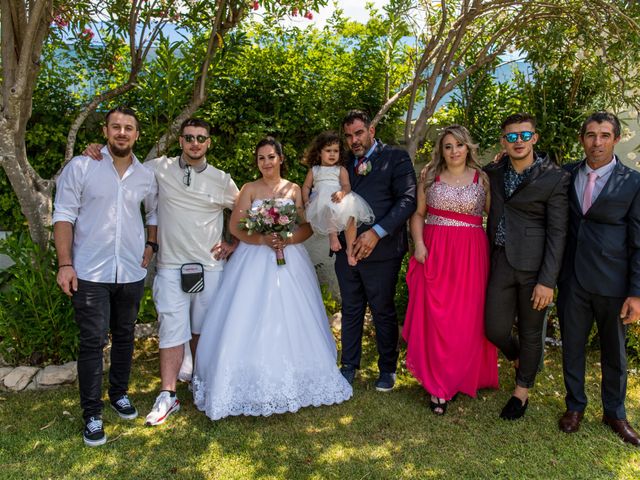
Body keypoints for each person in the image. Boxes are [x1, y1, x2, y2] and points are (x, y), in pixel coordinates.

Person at [83, 118, 239, 426]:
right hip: (170, 268)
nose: (195, 143)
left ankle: (202, 385)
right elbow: (124, 163)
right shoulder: (158, 168)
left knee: (202, 330)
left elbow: (244, 208)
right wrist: (97, 151)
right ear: (181, 140)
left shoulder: (222, 179)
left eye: (201, 138)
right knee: (171, 329)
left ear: (209, 143)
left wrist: (232, 243)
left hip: (210, 268)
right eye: (190, 137)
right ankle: (168, 395)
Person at [192, 137, 352, 420]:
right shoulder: (250, 189)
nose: (266, 162)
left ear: (280, 158)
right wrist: (262, 238)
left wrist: (287, 239)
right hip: (253, 257)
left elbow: (307, 227)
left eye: (270, 157)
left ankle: (298, 378)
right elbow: (236, 227)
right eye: (261, 158)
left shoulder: (293, 189)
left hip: (288, 258)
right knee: (248, 315)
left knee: (291, 316)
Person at [53, 106, 158, 446]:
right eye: (116, 127)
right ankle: (92, 414)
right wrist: (65, 264)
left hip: (130, 269)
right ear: (105, 131)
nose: (122, 133)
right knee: (93, 341)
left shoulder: (146, 175)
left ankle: (119, 394)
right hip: (90, 271)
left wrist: (151, 244)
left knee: (125, 335)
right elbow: (63, 216)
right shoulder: (82, 166)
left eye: (129, 127)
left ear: (137, 134)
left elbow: (153, 211)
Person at [557, 112, 640, 445]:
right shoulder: (565, 175)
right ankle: (575, 406)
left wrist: (636, 292)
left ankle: (615, 413)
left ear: (615, 139)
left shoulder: (633, 182)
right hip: (572, 278)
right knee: (572, 347)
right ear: (582, 139)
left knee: (614, 353)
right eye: (591, 135)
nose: (597, 142)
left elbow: (638, 240)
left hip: (613, 282)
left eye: (605, 135)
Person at [403, 125, 498, 415]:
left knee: (466, 318)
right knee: (436, 317)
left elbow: (492, 218)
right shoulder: (429, 176)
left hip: (471, 254)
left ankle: (461, 375)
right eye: (448, 146)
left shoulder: (482, 179)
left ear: (468, 147)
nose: (454, 151)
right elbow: (418, 215)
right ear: (441, 150)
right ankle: (437, 385)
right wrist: (419, 245)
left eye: (459, 145)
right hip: (434, 251)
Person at [484, 112, 570, 420]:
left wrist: (548, 280)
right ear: (503, 140)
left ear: (534, 138)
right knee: (493, 328)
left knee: (532, 330)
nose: (518, 141)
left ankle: (522, 391)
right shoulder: (493, 171)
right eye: (511, 136)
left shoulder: (555, 176)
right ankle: (519, 357)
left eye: (524, 135)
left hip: (535, 268)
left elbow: (558, 232)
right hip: (500, 260)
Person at [336, 110, 417, 391]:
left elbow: (407, 200)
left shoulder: (396, 158)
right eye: (348, 136)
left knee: (382, 310)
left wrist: (376, 233)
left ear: (371, 130)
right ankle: (348, 366)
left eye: (358, 133)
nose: (354, 140)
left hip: (382, 251)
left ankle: (387, 368)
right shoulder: (342, 163)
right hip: (346, 251)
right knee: (351, 308)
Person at [301, 131, 374, 266]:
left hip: (339, 197)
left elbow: (347, 186)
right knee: (329, 206)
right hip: (322, 199)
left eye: (336, 151)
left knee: (351, 216)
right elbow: (306, 187)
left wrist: (342, 193)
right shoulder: (314, 170)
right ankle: (333, 237)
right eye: (328, 150)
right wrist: (306, 200)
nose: (332, 154)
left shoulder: (340, 169)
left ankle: (350, 249)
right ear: (319, 152)